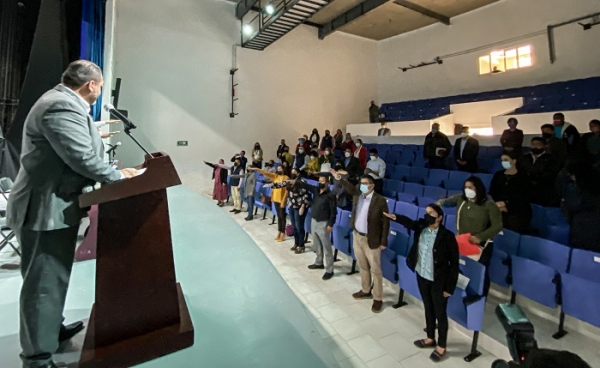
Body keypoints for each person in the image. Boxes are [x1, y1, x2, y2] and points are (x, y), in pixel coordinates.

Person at [5, 60, 138, 368]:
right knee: (43, 283)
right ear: (91, 85)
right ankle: (37, 359)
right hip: (44, 209)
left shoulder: (62, 103)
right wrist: (118, 178)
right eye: (100, 87)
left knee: (53, 277)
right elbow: (80, 157)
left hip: (54, 206)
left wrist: (113, 167)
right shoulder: (60, 107)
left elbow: (77, 149)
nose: (100, 92)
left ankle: (51, 330)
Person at [383, 204, 459, 363]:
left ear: (440, 218)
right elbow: (409, 223)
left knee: (440, 313)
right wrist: (395, 217)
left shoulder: (447, 236)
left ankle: (442, 345)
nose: (427, 215)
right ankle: (430, 337)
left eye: (431, 213)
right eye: (426, 212)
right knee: (428, 307)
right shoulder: (422, 228)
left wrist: (449, 288)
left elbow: (454, 265)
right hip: (422, 275)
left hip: (438, 279)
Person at [331, 170, 390, 313]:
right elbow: (351, 188)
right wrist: (340, 178)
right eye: (361, 183)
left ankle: (378, 298)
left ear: (372, 185)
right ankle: (365, 290)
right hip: (357, 235)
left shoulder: (380, 200)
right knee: (362, 266)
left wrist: (383, 241)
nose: (362, 186)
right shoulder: (358, 195)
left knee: (376, 270)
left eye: (365, 184)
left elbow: (386, 223)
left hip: (372, 238)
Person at [438, 176, 502, 296]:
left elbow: (497, 226)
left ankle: (480, 298)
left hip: (481, 245)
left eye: (470, 187)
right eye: (466, 187)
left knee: (480, 272)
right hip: (463, 241)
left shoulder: (489, 205)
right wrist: (439, 204)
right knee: (461, 268)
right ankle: (463, 295)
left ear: (478, 188)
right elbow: (446, 202)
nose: (468, 190)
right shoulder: (461, 200)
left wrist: (480, 237)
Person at [296, 174, 337, 279]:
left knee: (326, 247)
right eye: (319, 181)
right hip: (314, 220)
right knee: (316, 244)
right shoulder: (316, 191)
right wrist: (293, 181)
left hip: (324, 223)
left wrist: (330, 224)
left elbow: (333, 212)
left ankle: (329, 269)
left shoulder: (331, 195)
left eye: (322, 181)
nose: (320, 183)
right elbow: (306, 186)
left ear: (327, 183)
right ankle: (319, 262)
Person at [557, 161, 600, 252]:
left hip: (582, 232)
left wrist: (564, 202)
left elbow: (569, 206)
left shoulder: (578, 192)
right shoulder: (593, 190)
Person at [489, 152, 532, 234]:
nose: (503, 162)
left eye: (506, 160)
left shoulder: (523, 176)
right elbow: (493, 191)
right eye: (502, 160)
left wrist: (506, 205)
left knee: (512, 222)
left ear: (514, 161)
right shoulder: (498, 175)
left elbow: (523, 197)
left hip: (517, 210)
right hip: (498, 207)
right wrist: (498, 204)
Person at [518, 137, 561, 207]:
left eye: (538, 144)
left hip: (544, 189)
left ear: (545, 146)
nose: (535, 146)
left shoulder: (551, 159)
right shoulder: (524, 158)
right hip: (526, 188)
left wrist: (535, 177)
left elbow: (551, 173)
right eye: (533, 144)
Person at [249, 165, 289, 241]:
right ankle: (279, 231)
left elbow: (286, 191)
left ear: (283, 169)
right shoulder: (275, 176)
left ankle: (283, 232)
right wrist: (257, 169)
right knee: (279, 216)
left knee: (282, 217)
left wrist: (283, 201)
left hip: (282, 200)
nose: (278, 170)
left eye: (280, 168)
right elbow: (266, 173)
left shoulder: (286, 178)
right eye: (277, 168)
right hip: (275, 199)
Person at [287, 168, 310, 253]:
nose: (292, 173)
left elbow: (306, 195)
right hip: (292, 206)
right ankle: (296, 243)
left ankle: (301, 245)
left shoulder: (302, 182)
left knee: (299, 226)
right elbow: (289, 193)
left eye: (294, 172)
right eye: (291, 172)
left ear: (298, 173)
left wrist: (302, 207)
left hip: (300, 206)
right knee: (294, 226)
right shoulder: (290, 181)